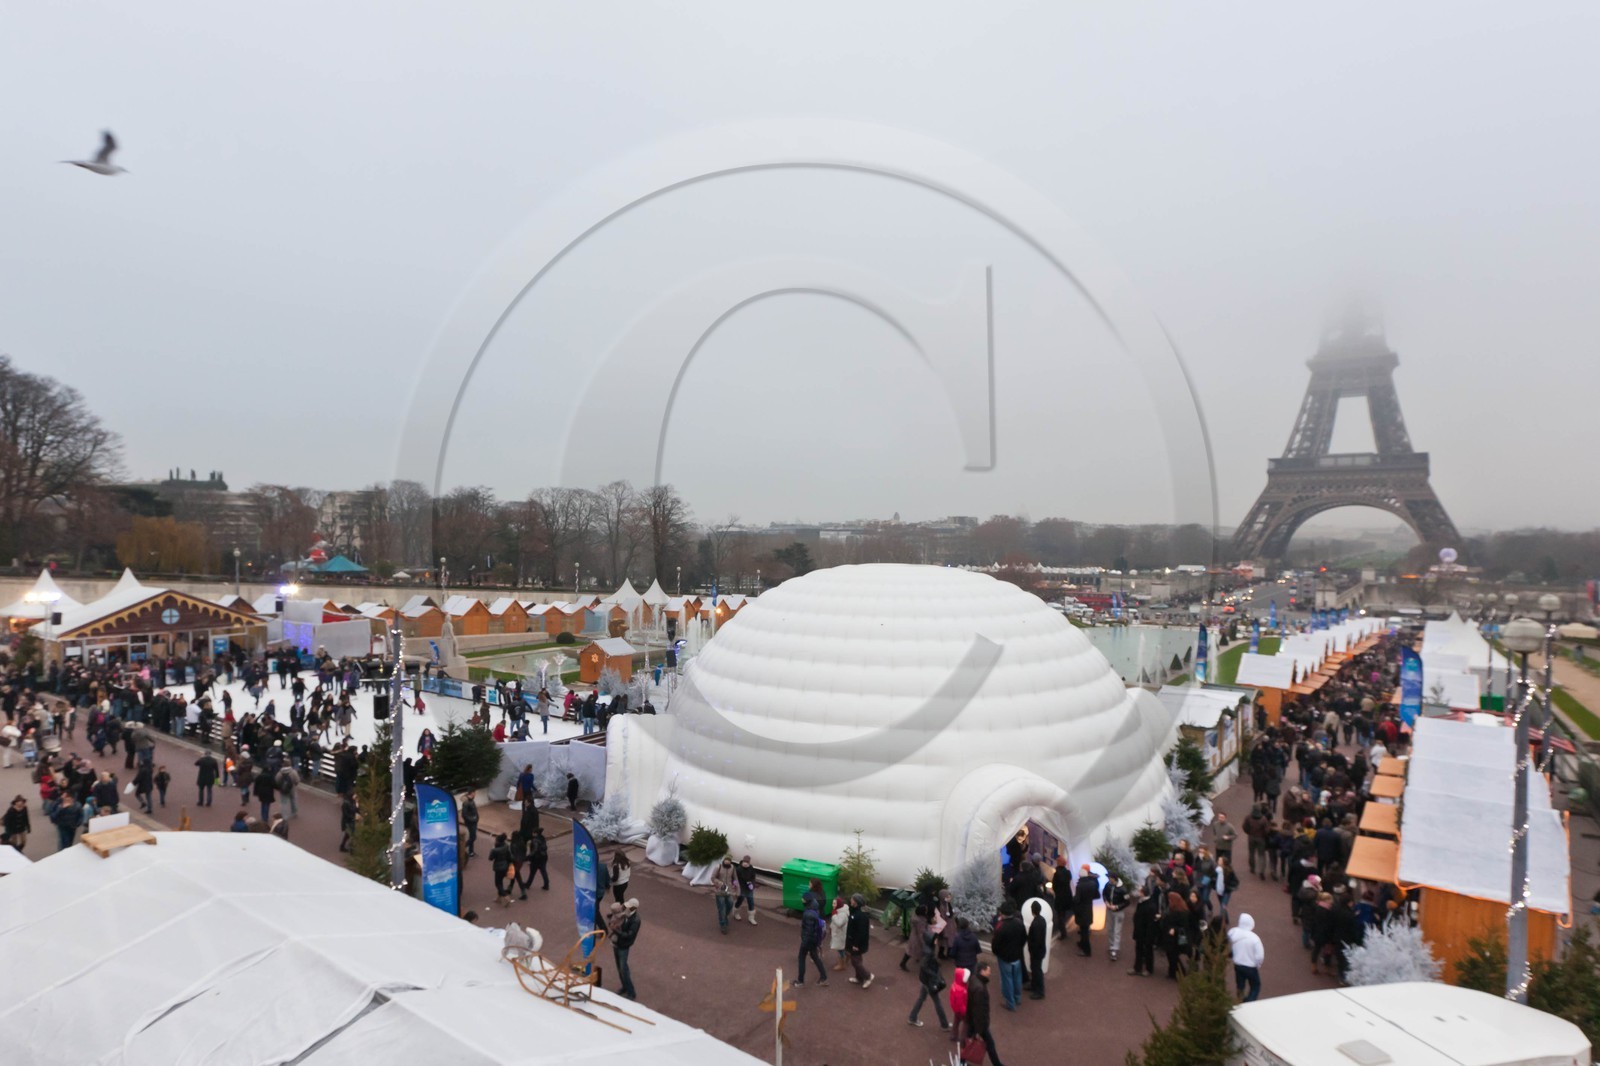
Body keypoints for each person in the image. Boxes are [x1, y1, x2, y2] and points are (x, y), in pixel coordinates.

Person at [966, 960, 1006, 1066]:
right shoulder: (980, 989)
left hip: (972, 1019)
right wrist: (979, 1031)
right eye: (988, 971)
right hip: (979, 1023)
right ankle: (997, 1064)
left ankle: (962, 1062)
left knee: (968, 1041)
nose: (990, 973)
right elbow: (979, 1011)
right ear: (982, 971)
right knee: (990, 1044)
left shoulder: (974, 980)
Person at [908, 927, 949, 1028]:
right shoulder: (929, 952)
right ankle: (944, 1024)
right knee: (937, 1001)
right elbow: (924, 966)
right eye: (935, 939)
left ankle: (912, 1017)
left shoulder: (927, 948)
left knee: (921, 998)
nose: (936, 940)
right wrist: (934, 975)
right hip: (929, 980)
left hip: (924, 979)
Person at [990, 902, 1025, 1010]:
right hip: (1017, 956)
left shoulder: (1000, 927)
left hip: (1005, 958)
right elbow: (1024, 938)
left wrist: (998, 953)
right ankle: (1017, 997)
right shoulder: (1019, 923)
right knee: (1017, 978)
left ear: (1002, 913)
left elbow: (995, 945)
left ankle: (1010, 1003)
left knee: (1007, 980)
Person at [794, 890, 830, 987]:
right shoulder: (814, 908)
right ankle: (824, 977)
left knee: (801, 957)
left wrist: (804, 942)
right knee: (816, 958)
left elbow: (808, 931)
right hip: (813, 940)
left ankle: (800, 981)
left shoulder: (808, 914)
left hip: (808, 941)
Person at [1228, 913, 1264, 1002]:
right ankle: (1249, 1002)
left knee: (1240, 986)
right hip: (1250, 967)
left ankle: (1239, 1001)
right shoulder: (1254, 938)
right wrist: (1257, 964)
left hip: (1238, 965)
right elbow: (1260, 956)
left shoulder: (1233, 933)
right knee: (1255, 986)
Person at [611, 898, 640, 999]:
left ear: (633, 908)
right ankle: (624, 987)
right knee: (619, 967)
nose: (625, 907)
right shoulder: (627, 914)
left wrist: (616, 931)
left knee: (624, 969)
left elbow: (629, 935)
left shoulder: (635, 920)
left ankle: (631, 992)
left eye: (628, 906)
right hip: (618, 943)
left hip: (624, 945)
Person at [1129, 886, 1159, 977]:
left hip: (1146, 933)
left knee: (1148, 951)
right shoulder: (1142, 902)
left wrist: (1149, 936)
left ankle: (1149, 969)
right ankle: (1137, 967)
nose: (1138, 893)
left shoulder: (1150, 906)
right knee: (1138, 949)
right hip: (1139, 930)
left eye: (1140, 891)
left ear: (1143, 893)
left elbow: (1151, 923)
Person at [845, 893, 874, 987]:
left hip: (857, 943)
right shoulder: (855, 911)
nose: (850, 901)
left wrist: (856, 945)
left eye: (852, 900)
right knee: (857, 960)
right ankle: (859, 978)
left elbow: (861, 932)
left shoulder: (861, 915)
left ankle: (868, 976)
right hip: (853, 941)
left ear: (856, 902)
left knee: (855, 961)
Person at [1162, 891, 1192, 979]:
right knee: (1170, 955)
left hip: (1174, 938)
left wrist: (1174, 929)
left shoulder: (1182, 913)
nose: (1169, 901)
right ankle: (1172, 972)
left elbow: (1184, 927)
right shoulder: (1172, 908)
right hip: (1169, 937)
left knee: (1173, 956)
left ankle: (1181, 973)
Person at [1073, 863, 1099, 956]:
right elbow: (1097, 895)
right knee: (1085, 929)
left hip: (1081, 910)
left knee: (1084, 932)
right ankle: (1082, 944)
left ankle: (1086, 951)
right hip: (1088, 908)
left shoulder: (1080, 886)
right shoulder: (1092, 883)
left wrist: (1073, 899)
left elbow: (1077, 899)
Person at [1025, 899, 1048, 1000]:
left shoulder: (1035, 924)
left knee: (1037, 970)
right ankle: (1034, 985)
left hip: (1036, 952)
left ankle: (1039, 991)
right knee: (1035, 968)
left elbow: (1035, 940)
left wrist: (1031, 949)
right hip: (1040, 950)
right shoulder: (1042, 920)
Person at [1104, 873, 1130, 962]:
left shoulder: (1123, 889)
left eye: (1110, 878)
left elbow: (1127, 902)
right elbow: (1104, 894)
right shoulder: (1108, 885)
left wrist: (1117, 907)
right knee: (1110, 928)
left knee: (1117, 930)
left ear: (1114, 879)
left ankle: (1115, 949)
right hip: (1109, 910)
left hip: (1118, 912)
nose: (1109, 880)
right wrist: (1106, 902)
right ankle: (1112, 946)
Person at [712, 857, 737, 933]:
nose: (726, 862)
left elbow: (735, 878)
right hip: (720, 891)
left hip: (729, 891)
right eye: (725, 861)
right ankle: (723, 924)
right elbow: (713, 878)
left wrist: (735, 886)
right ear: (723, 861)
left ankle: (724, 916)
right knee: (722, 908)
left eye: (728, 861)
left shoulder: (732, 867)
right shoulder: (718, 867)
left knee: (730, 904)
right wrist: (720, 883)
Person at [732, 854, 759, 925]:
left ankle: (751, 918)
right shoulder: (738, 869)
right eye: (744, 861)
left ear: (749, 862)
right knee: (740, 901)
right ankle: (736, 913)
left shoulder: (751, 868)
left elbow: (753, 877)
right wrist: (735, 884)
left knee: (751, 902)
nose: (745, 863)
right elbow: (735, 878)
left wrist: (752, 884)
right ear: (742, 861)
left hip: (749, 889)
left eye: (747, 862)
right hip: (741, 888)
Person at [490, 833, 513, 907]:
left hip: (498, 868)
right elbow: (509, 856)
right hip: (505, 866)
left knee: (498, 884)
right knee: (500, 882)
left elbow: (490, 858)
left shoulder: (495, 850)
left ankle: (505, 896)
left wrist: (492, 849)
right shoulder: (506, 846)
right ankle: (498, 898)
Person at [829, 896, 849, 968]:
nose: (833, 905)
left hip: (840, 935)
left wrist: (834, 915)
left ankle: (842, 965)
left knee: (840, 950)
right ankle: (846, 959)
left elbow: (839, 923)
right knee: (842, 948)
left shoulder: (842, 914)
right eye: (833, 903)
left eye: (834, 903)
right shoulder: (839, 911)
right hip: (838, 934)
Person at [461, 791, 479, 857]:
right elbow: (464, 814)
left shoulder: (471, 801)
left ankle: (471, 852)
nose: (475, 794)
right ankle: (463, 847)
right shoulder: (466, 803)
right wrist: (472, 820)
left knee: (472, 836)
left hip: (474, 822)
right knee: (473, 837)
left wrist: (476, 818)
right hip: (471, 823)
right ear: (471, 793)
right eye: (474, 793)